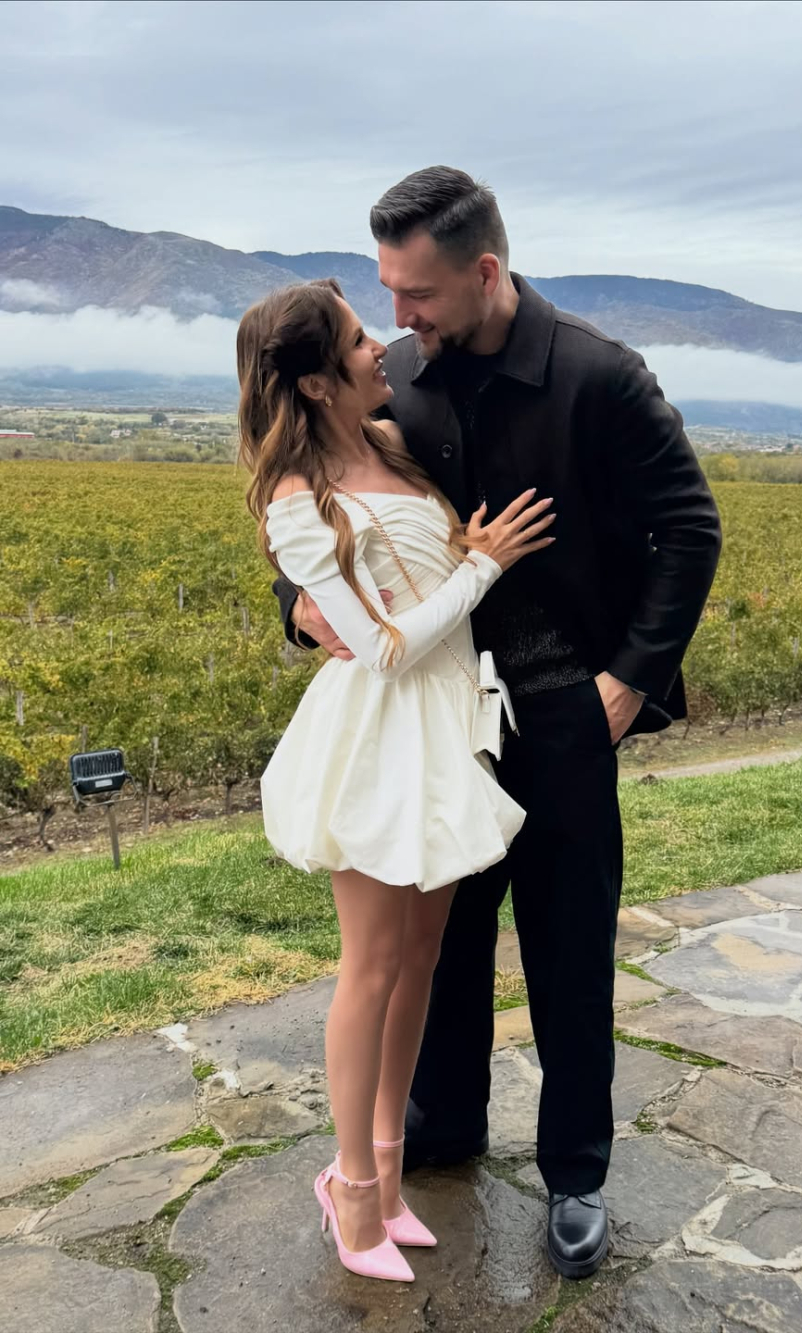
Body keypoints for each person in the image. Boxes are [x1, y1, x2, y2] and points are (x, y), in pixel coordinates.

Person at [273, 167, 722, 1279]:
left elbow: (689, 529)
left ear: (484, 271)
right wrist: (294, 608)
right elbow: (321, 501)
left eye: (417, 293)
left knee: (570, 950)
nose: (398, 317)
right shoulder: (399, 376)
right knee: (438, 942)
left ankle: (574, 1173)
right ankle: (441, 1127)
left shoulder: (602, 376)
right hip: (429, 722)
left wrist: (628, 682)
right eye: (386, 291)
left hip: (567, 710)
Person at [238, 277, 554, 1282]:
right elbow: (379, 649)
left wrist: (465, 559)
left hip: (443, 725)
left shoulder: (392, 444)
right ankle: (351, 1189)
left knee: (420, 958)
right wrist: (483, 565)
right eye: (357, 341)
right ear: (315, 381)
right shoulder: (298, 501)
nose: (382, 348)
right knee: (371, 965)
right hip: (378, 737)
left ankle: (384, 1173)